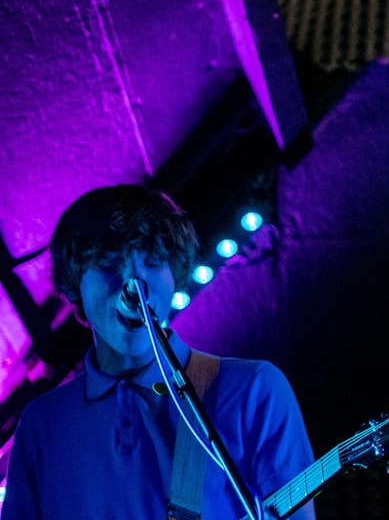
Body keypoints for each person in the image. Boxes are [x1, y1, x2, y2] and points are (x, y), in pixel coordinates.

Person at [2, 184, 316, 519]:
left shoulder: (254, 389)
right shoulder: (41, 424)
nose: (134, 286)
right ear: (75, 286)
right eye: (108, 265)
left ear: (175, 274)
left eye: (152, 263)